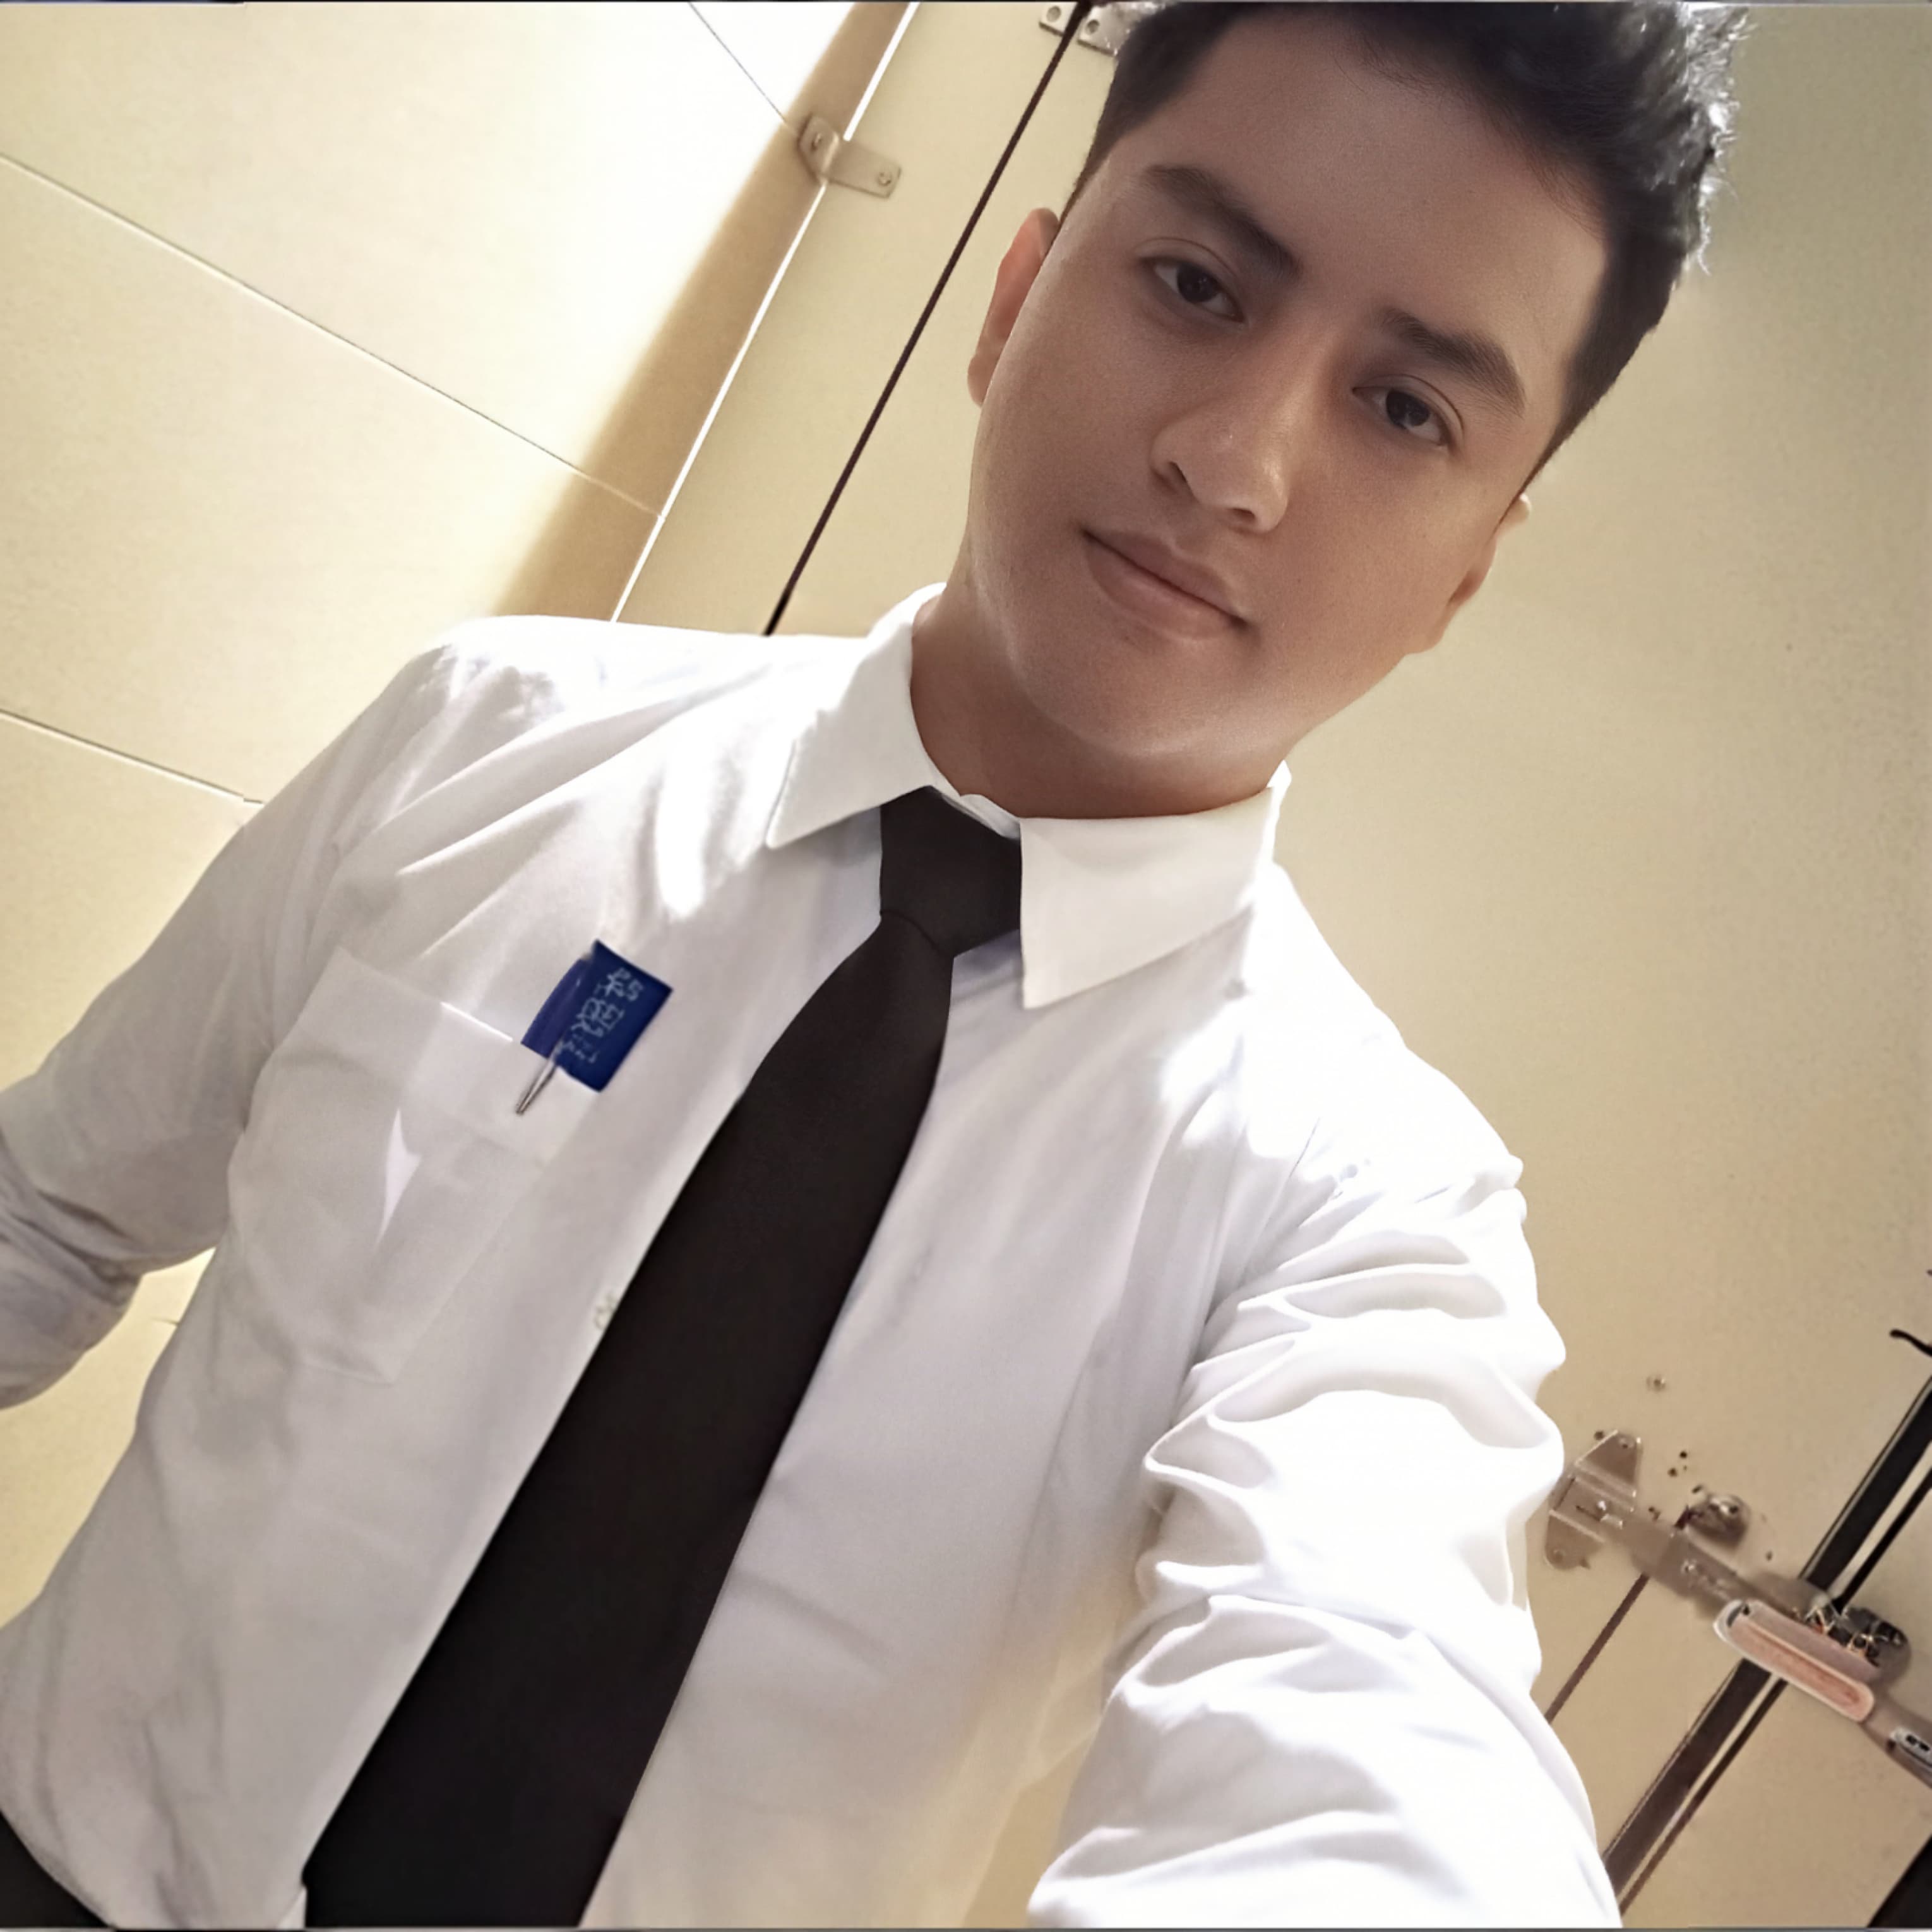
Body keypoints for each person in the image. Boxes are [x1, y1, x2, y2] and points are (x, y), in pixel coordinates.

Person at [0, 3, 1745, 1925]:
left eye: (1405, 410)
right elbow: (45, 1214)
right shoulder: (489, 737)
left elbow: (1369, 1724)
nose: (1236, 459)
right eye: (1194, 284)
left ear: (1466, 569)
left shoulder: (1363, 1212)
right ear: (1014, 295)